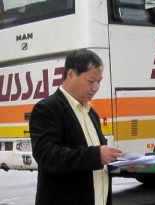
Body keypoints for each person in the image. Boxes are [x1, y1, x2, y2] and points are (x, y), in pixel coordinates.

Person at [29, 49, 124, 205]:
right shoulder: (47, 108)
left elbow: (95, 164)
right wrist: (97, 155)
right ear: (71, 74)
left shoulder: (91, 112)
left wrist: (122, 165)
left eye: (99, 81)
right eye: (90, 81)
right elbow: (47, 156)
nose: (95, 88)